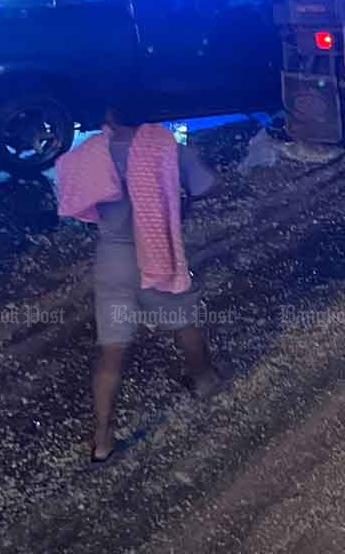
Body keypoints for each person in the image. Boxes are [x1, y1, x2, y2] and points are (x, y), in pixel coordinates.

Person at [56, 94, 223, 467]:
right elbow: (206, 185)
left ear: (110, 114)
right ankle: (204, 379)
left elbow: (69, 186)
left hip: (112, 259)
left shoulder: (92, 154)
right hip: (157, 253)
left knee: (111, 350)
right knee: (184, 321)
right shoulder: (165, 147)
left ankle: (101, 438)